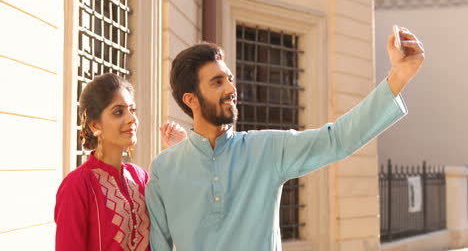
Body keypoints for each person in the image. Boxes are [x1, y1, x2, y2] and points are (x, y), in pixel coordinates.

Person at [145, 27, 425, 251]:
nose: (232, 88)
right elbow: (159, 245)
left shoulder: (267, 148)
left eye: (229, 78)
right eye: (217, 82)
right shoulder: (163, 170)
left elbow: (338, 139)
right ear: (191, 99)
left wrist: (398, 76)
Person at [54, 73, 186, 251]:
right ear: (95, 125)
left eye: (132, 110)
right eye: (118, 112)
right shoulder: (77, 185)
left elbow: (182, 216)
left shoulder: (140, 178)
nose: (131, 119)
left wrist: (180, 151)